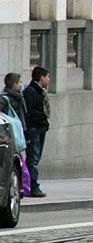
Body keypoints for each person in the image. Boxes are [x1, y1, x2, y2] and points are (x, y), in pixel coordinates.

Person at [23, 66, 50, 198]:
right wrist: (27, 133)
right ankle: (32, 186)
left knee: (35, 157)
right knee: (33, 158)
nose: (48, 79)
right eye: (47, 76)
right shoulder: (31, 92)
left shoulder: (40, 91)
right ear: (41, 77)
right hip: (34, 129)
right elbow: (27, 114)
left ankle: (30, 184)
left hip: (40, 128)